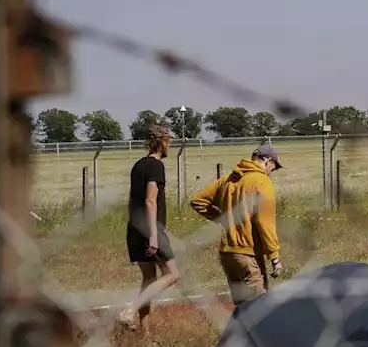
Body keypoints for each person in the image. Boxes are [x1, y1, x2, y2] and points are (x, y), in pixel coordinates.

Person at [189, 144, 283, 308]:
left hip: (228, 254)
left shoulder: (228, 179)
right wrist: (274, 257)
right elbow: (265, 222)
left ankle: (238, 333)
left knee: (242, 307)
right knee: (260, 309)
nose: (271, 172)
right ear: (267, 161)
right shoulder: (262, 181)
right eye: (273, 168)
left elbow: (198, 201)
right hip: (248, 254)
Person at [118, 124, 181, 331]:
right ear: (162, 142)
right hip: (150, 229)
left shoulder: (138, 165)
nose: (170, 145)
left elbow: (130, 200)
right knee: (172, 274)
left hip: (135, 228)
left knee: (149, 279)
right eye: (169, 141)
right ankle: (129, 310)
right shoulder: (156, 166)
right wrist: (154, 235)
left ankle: (144, 333)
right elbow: (150, 200)